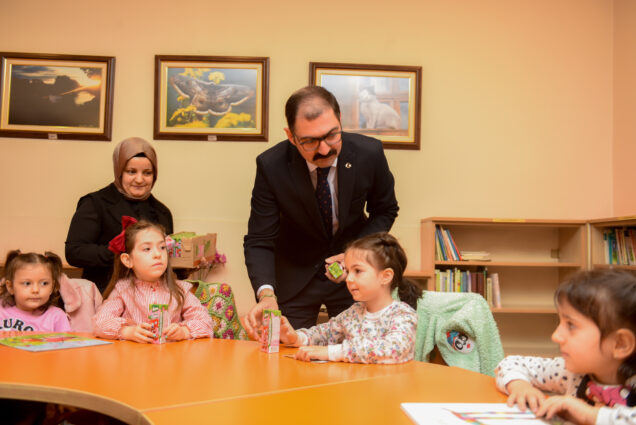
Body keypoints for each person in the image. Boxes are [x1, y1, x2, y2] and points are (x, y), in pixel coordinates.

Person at [244, 86, 399, 335]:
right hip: (295, 274)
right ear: (291, 136)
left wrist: (353, 255)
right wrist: (266, 295)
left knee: (358, 349)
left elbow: (385, 209)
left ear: (340, 120)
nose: (325, 149)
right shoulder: (271, 166)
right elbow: (259, 239)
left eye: (331, 135)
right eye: (310, 141)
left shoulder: (369, 153)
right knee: (285, 349)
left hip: (352, 273)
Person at [496, 269, 636, 425]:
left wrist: (588, 414)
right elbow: (511, 363)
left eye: (571, 325)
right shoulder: (571, 373)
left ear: (620, 344)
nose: (556, 336)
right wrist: (521, 387)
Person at [278, 232, 420, 363]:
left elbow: (394, 350)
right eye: (347, 271)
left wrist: (332, 352)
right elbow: (324, 333)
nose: (348, 278)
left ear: (386, 276)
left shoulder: (403, 314)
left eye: (357, 271)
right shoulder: (354, 312)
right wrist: (296, 338)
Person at [66, 137, 173, 292]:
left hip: (152, 297)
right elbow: (74, 252)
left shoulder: (162, 212)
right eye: (131, 171)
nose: (139, 179)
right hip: (105, 294)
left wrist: (189, 263)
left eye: (147, 173)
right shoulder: (95, 203)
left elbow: (164, 260)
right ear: (119, 171)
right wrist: (121, 252)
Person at [93, 219, 213, 343]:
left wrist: (184, 331)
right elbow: (100, 323)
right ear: (127, 260)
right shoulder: (122, 290)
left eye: (162, 247)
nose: (157, 254)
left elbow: (206, 322)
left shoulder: (181, 289)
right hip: (134, 354)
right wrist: (127, 332)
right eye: (147, 249)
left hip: (171, 354)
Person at [0, 250, 71, 332]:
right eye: (27, 283)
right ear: (10, 287)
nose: (35, 290)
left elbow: (66, 340)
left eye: (44, 283)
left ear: (52, 287)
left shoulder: (56, 317)